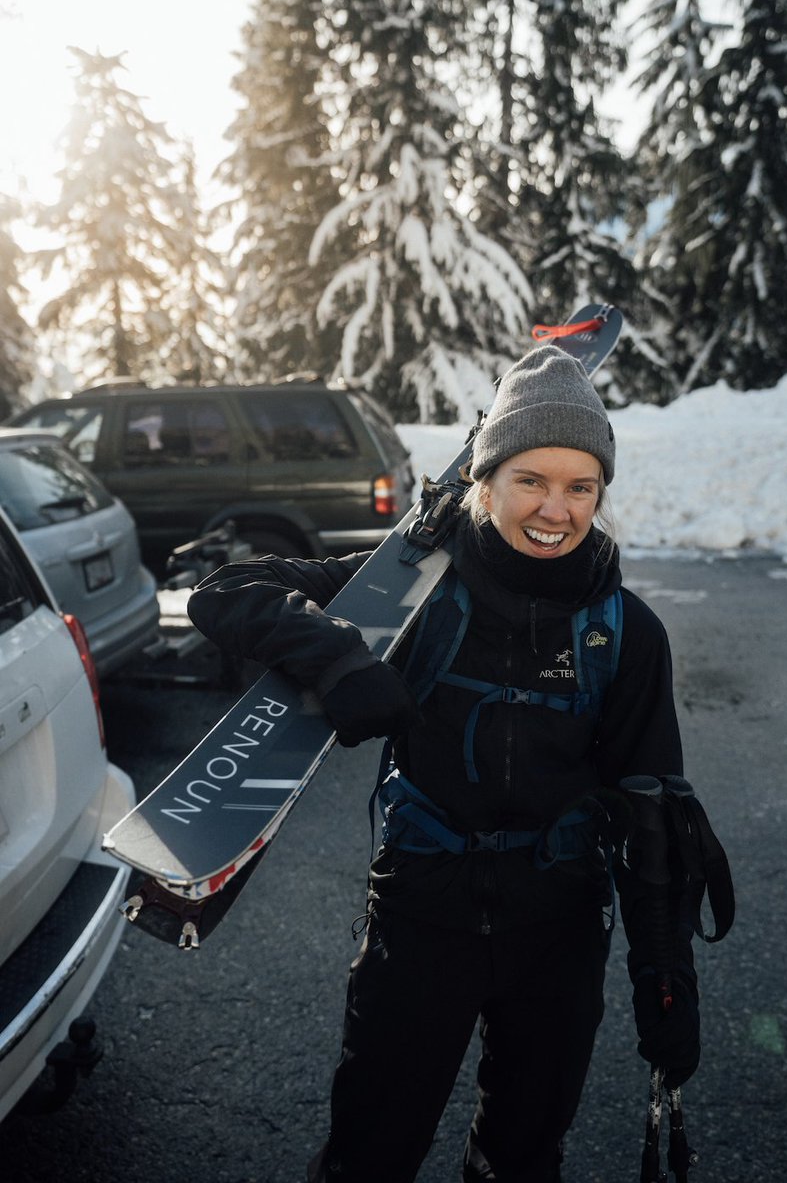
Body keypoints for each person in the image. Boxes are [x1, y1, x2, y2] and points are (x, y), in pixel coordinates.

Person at [187, 345, 705, 1183]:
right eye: (530, 479)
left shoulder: (623, 629)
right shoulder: (412, 592)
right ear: (485, 481)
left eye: (580, 487)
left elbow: (651, 809)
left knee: (522, 1158)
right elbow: (226, 592)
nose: (555, 509)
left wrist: (665, 975)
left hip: (558, 929)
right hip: (420, 917)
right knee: (372, 1153)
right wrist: (338, 660)